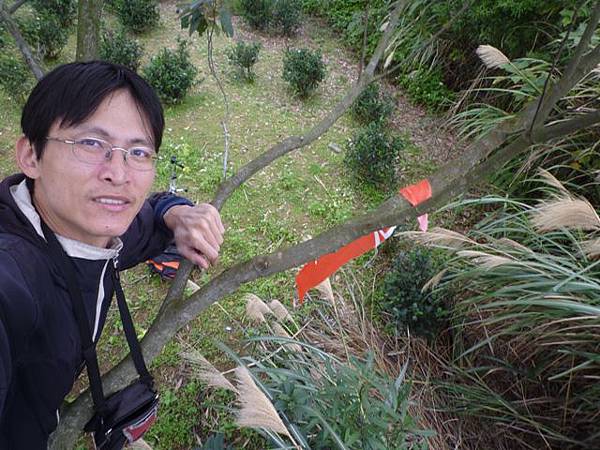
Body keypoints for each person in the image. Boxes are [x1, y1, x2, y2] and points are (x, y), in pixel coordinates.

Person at [0, 61, 225, 448]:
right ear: (31, 156)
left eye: (138, 152)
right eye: (90, 144)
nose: (118, 174)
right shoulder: (13, 274)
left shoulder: (93, 233)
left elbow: (151, 214)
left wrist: (177, 212)